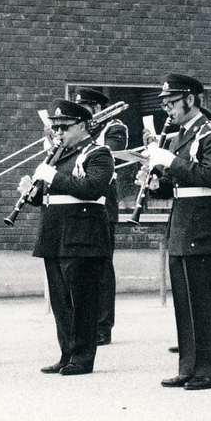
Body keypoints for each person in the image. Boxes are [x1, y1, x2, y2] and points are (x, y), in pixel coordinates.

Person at [139, 72, 211, 391]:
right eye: (164, 103)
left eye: (172, 102)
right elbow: (178, 185)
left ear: (191, 100)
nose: (167, 109)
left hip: (205, 224)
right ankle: (188, 366)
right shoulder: (179, 135)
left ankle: (208, 370)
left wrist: (169, 161)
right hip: (182, 222)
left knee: (204, 303)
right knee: (184, 301)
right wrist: (155, 182)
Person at [21, 99, 114, 376]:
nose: (58, 133)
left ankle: (82, 357)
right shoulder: (58, 155)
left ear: (83, 126)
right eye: (55, 127)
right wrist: (32, 191)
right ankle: (66, 354)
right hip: (55, 233)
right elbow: (51, 195)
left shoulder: (99, 153)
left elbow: (91, 187)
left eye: (64, 127)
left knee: (82, 301)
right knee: (61, 301)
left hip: (82, 235)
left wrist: (52, 176)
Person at [72, 88, 128, 346]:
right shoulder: (83, 132)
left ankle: (103, 326)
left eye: (84, 107)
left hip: (104, 202)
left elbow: (107, 156)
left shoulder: (114, 127)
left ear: (95, 107)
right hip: (79, 203)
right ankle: (83, 324)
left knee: (103, 267)